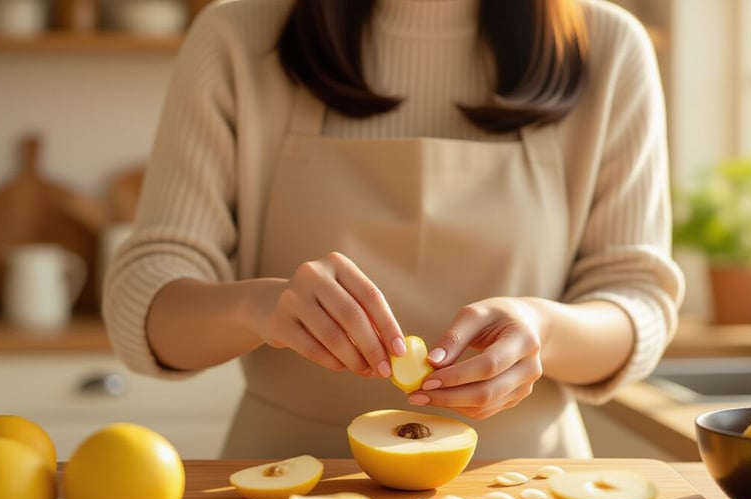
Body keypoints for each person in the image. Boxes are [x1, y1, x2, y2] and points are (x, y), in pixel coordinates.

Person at [102, 0, 684, 459]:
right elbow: (144, 300)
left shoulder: (609, 46)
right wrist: (259, 307)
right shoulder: (234, 37)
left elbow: (636, 298)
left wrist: (546, 329)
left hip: (522, 492)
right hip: (284, 489)